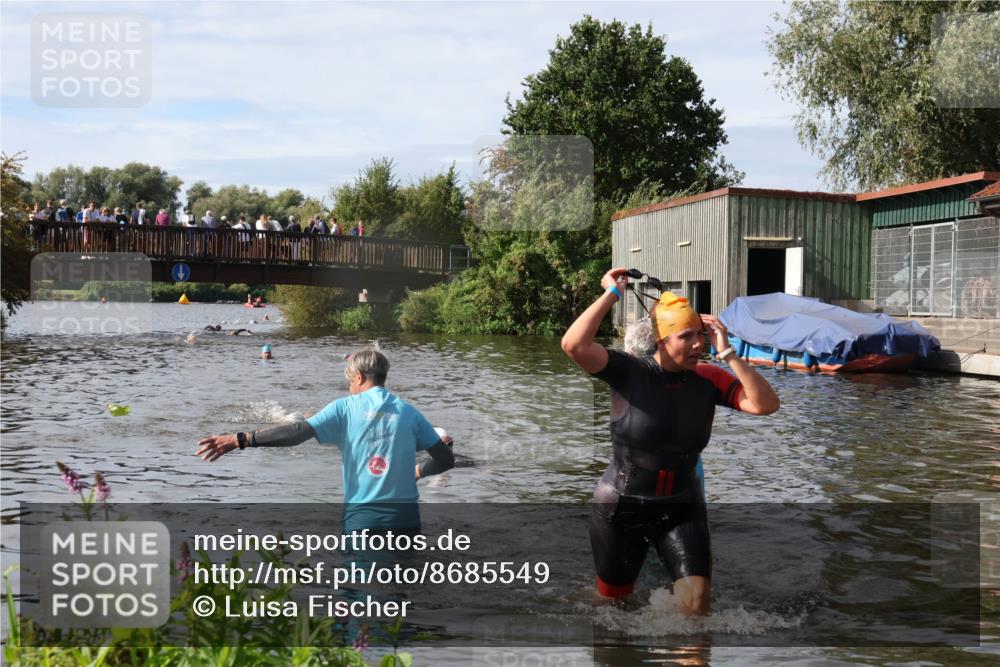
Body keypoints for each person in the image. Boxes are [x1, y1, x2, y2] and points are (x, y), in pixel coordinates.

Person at [561, 267, 779, 616]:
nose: (698, 344)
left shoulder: (708, 378)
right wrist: (612, 293)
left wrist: (728, 354)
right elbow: (573, 345)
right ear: (662, 341)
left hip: (680, 505)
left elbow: (766, 405)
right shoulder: (630, 372)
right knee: (612, 608)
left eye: (701, 335)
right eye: (687, 337)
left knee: (697, 604)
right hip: (621, 507)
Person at [196, 348, 455, 532]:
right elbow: (445, 460)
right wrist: (419, 471)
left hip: (364, 521)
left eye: (349, 382)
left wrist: (241, 439)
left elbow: (296, 433)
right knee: (400, 594)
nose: (349, 388)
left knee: (358, 595)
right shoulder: (410, 413)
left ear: (359, 377)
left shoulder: (345, 408)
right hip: (407, 521)